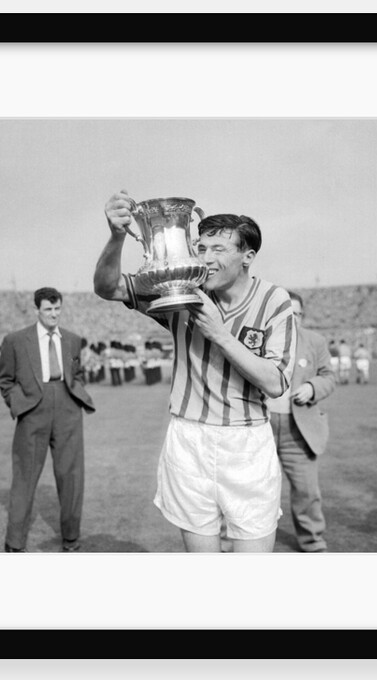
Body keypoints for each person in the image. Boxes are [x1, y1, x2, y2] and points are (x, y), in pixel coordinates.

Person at [94, 190, 296, 553]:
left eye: (219, 250)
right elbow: (108, 287)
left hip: (246, 442)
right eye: (201, 248)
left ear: (248, 257)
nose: (206, 258)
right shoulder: (181, 290)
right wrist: (116, 236)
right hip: (188, 439)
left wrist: (220, 334)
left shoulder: (274, 300)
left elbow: (276, 382)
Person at [0, 287, 96, 553]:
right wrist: (18, 403)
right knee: (25, 477)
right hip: (33, 409)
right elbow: (5, 379)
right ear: (37, 310)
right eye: (48, 309)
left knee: (72, 477)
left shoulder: (73, 340)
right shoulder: (16, 340)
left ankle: (71, 539)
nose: (54, 314)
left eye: (57, 309)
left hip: (67, 409)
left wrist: (75, 395)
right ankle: (15, 543)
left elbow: (78, 373)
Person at [266, 291, 335, 552]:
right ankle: (240, 543)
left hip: (300, 429)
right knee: (253, 489)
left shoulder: (315, 341)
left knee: (307, 491)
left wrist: (312, 387)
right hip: (263, 425)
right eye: (288, 313)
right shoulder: (261, 338)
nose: (293, 319)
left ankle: (312, 541)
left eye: (298, 314)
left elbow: (329, 376)